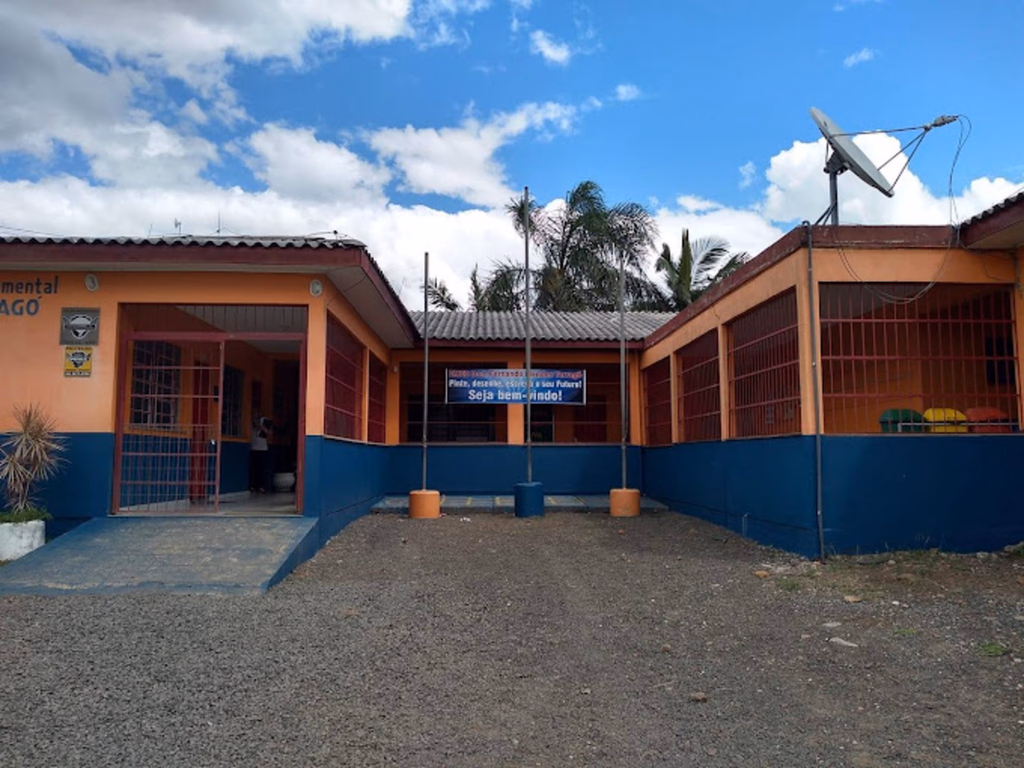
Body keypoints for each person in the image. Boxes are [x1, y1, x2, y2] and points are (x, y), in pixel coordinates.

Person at [249, 413, 273, 493]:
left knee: (262, 469)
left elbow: (269, 438)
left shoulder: (266, 430)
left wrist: (264, 429)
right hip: (254, 449)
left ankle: (262, 486)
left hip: (263, 450)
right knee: (254, 469)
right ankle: (253, 486)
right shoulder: (252, 429)